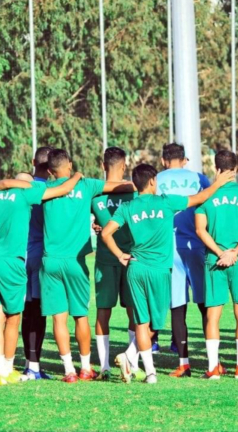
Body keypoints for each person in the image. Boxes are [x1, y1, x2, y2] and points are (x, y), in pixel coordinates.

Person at [101, 164, 234, 384]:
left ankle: (144, 368)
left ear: (136, 184)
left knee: (142, 322)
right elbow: (199, 198)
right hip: (160, 270)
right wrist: (218, 183)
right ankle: (138, 363)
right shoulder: (166, 202)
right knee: (155, 323)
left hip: (136, 268)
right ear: (153, 181)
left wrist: (120, 255)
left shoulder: (128, 207)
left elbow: (106, 233)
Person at [0, 171, 83, 385]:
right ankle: (7, 370)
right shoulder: (26, 194)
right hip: (11, 262)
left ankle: (0, 371)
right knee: (13, 318)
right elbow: (64, 189)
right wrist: (77, 175)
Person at [40, 148, 134, 383]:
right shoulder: (87, 186)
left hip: (50, 261)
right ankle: (85, 368)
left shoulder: (43, 189)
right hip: (75, 261)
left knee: (58, 318)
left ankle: (68, 371)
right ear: (70, 164)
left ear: (50, 171)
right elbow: (120, 187)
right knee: (80, 316)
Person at [194, 150, 238, 379]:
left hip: (214, 260)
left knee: (213, 316)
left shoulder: (205, 196)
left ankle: (213, 369)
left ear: (216, 168)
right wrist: (235, 252)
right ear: (236, 169)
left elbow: (200, 230)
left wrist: (221, 253)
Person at [156, 143, 210, 376]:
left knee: (178, 305)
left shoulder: (156, 180)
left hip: (170, 248)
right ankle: (213, 362)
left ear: (163, 160)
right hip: (197, 245)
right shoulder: (200, 179)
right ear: (184, 160)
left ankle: (183, 363)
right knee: (206, 305)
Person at [91, 147, 139, 381]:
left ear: (103, 165)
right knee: (134, 311)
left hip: (105, 258)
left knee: (103, 311)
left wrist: (97, 223)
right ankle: (133, 363)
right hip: (132, 258)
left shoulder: (95, 195)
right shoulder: (135, 192)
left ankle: (104, 367)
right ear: (125, 165)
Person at [22, 146, 54, 380]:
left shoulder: (21, 188)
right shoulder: (52, 191)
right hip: (41, 256)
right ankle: (34, 366)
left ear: (33, 162)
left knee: (23, 312)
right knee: (38, 312)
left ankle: (25, 364)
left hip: (19, 255)